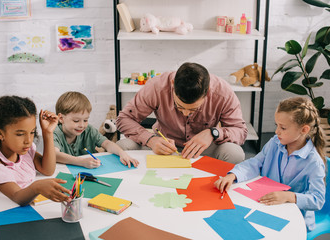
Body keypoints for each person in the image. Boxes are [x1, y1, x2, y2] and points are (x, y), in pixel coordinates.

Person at [214, 96, 326, 231]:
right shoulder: (275, 142)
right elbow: (255, 162)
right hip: (267, 206)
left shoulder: (313, 162)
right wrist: (233, 175)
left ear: (304, 130)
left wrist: (289, 197)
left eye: (283, 128)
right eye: (276, 125)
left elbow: (318, 199)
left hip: (294, 218)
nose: (276, 131)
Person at [116, 62, 247, 163]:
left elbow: (241, 132)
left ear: (207, 93)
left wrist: (213, 133)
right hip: (163, 145)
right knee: (122, 146)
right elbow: (123, 119)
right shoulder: (157, 86)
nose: (185, 113)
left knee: (235, 153)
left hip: (204, 148)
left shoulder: (222, 92)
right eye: (179, 107)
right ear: (173, 85)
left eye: (192, 109)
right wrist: (150, 139)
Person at [0, 96, 71, 220]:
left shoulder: (23, 151)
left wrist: (48, 132)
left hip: (12, 209)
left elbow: (47, 169)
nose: (28, 140)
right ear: (0, 134)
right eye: (20, 134)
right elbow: (18, 196)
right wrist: (38, 187)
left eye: (32, 132)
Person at [53, 91, 139, 168]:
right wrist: (82, 162)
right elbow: (55, 155)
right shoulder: (55, 133)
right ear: (61, 118)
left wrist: (122, 153)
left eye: (85, 120)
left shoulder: (88, 130)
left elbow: (107, 143)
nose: (82, 125)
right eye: (76, 121)